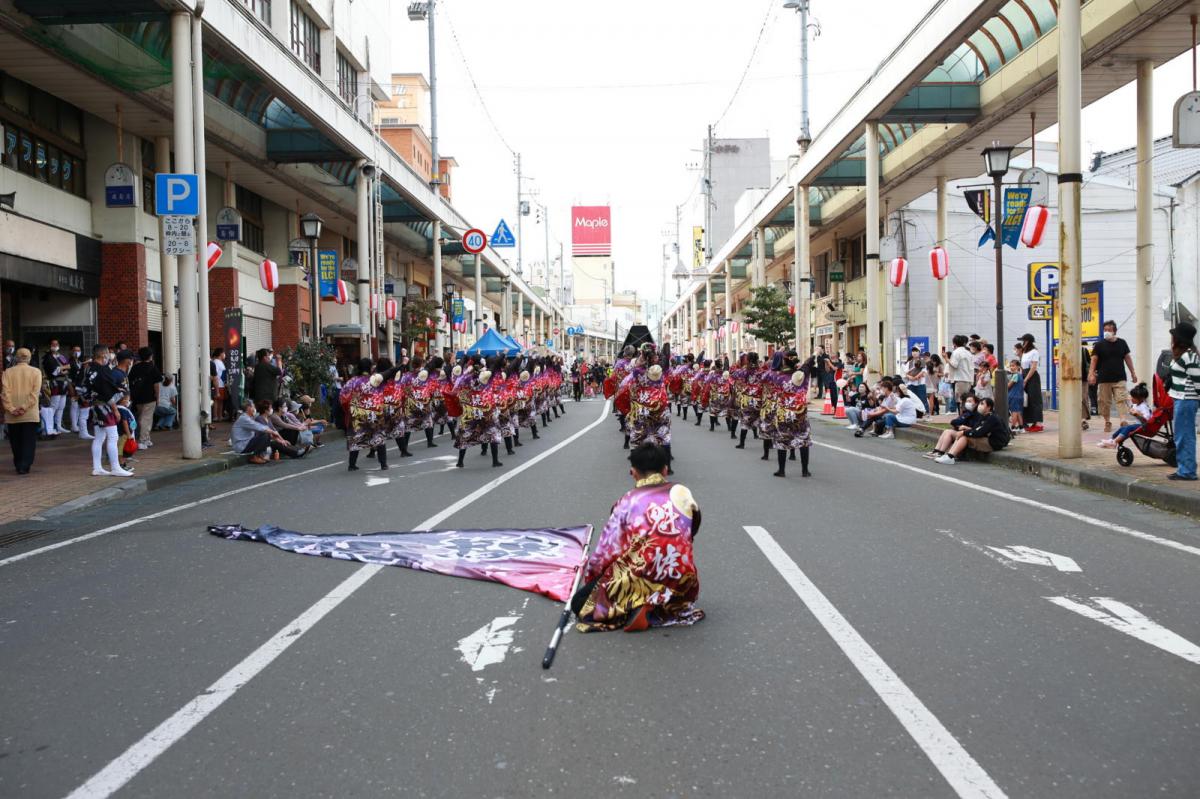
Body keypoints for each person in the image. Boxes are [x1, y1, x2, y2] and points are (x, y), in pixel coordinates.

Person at [572, 443, 703, 632]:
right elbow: (694, 526)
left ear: (633, 472)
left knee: (580, 603)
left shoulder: (627, 501)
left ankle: (641, 607)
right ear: (665, 470)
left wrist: (595, 580)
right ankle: (664, 604)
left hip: (643, 574)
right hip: (683, 579)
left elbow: (607, 551)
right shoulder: (682, 491)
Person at [1088, 321, 1137, 433]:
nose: (1107, 332)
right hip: (1104, 378)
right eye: (1105, 330)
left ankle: (1123, 420)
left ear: (1114, 331)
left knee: (1121, 399)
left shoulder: (1122, 343)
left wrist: (1133, 373)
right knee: (1104, 402)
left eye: (1109, 329)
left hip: (1119, 377)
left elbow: (1127, 358)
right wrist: (1091, 374)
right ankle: (1107, 422)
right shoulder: (1099, 345)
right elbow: (1094, 360)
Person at [1166, 321, 1199, 481]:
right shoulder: (1183, 354)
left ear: (1179, 338)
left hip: (1187, 399)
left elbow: (1198, 380)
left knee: (1185, 435)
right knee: (1183, 434)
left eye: (1174, 335)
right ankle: (1185, 468)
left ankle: (1187, 471)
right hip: (1181, 399)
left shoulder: (1189, 356)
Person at [2, 348, 42, 474]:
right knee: (29, 440)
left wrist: (11, 408)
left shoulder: (7, 372)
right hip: (29, 413)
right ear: (29, 358)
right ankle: (25, 465)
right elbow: (34, 394)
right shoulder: (36, 372)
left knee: (15, 440)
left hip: (12, 414)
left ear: (16, 358)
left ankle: (18, 463)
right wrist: (24, 407)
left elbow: (4, 393)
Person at [934, 397, 1009, 464]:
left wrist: (964, 432)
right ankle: (941, 453)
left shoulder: (992, 418)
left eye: (982, 404)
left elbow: (979, 432)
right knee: (951, 432)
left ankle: (950, 457)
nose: (979, 406)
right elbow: (977, 429)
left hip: (993, 443)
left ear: (989, 407)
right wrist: (966, 429)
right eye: (980, 403)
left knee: (965, 437)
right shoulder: (984, 416)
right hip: (986, 438)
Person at [127, 347, 162, 448]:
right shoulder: (153, 367)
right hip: (150, 397)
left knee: (142, 417)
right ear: (151, 356)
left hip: (137, 397)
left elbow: (129, 381)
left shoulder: (135, 367)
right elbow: (156, 384)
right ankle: (142, 441)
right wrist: (157, 396)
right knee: (146, 419)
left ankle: (147, 439)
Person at [1098, 383, 1151, 449]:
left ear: (1141, 399)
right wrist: (1132, 412)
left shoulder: (1144, 406)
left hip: (1144, 427)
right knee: (1123, 428)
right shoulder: (1136, 404)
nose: (1132, 399)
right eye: (1131, 396)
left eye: (1133, 398)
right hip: (1139, 425)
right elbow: (1131, 408)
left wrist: (1138, 414)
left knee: (1128, 428)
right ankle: (1112, 440)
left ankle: (1114, 442)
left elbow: (1147, 419)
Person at [41, 338, 71, 435]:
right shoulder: (47, 357)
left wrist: (62, 369)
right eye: (53, 344)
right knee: (54, 405)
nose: (55, 346)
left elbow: (68, 366)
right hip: (55, 382)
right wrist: (62, 368)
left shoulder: (61, 356)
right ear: (50, 345)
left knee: (62, 406)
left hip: (64, 382)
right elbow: (53, 371)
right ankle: (48, 426)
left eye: (56, 344)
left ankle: (58, 425)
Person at [1018, 333, 1044, 432]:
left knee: (1035, 399)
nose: (1022, 343)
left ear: (1027, 341)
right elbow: (1022, 366)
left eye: (1023, 341)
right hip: (1024, 374)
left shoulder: (1034, 351)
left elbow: (1033, 367)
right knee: (1026, 400)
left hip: (1032, 377)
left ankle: (1038, 423)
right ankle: (1030, 421)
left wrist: (1025, 380)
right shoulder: (1024, 352)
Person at [946, 335, 974, 407]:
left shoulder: (956, 352)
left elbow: (954, 365)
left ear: (954, 343)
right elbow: (971, 367)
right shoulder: (968, 353)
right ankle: (964, 416)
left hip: (960, 378)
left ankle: (962, 416)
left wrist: (946, 359)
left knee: (961, 400)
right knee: (966, 400)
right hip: (968, 379)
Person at [1006, 359, 1024, 432]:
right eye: (1010, 366)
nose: (1011, 367)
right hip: (1019, 396)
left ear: (1018, 366)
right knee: (1018, 412)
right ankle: (1021, 427)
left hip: (1014, 396)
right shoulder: (1020, 375)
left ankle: (1013, 427)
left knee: (1014, 412)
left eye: (1013, 366)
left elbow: (1008, 386)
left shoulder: (1015, 375)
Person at [211, 348, 228, 423]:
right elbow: (215, 375)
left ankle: (220, 416)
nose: (224, 354)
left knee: (221, 401)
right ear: (220, 354)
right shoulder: (215, 362)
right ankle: (215, 416)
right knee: (216, 401)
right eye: (223, 353)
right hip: (218, 385)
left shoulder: (220, 362)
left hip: (222, 385)